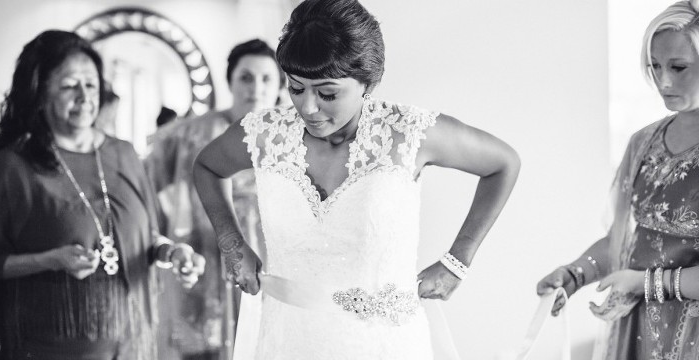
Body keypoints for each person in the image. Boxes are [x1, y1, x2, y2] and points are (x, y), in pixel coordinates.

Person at [193, 0, 521, 358]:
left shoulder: (408, 132)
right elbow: (206, 167)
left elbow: (503, 164)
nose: (308, 108)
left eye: (327, 93)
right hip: (288, 338)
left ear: (367, 82)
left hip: (383, 345)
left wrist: (458, 261)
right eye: (296, 87)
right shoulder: (265, 133)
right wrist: (232, 243)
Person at [0, 30, 205, 360]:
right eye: (70, 85)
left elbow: (144, 238)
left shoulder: (124, 154)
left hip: (132, 343)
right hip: (48, 346)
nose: (85, 97)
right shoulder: (15, 165)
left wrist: (172, 253)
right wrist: (50, 260)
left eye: (91, 84)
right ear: (40, 94)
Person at [537, 1, 699, 358]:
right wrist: (575, 274)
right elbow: (623, 240)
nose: (663, 80)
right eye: (654, 66)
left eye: (678, 67)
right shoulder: (642, 143)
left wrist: (644, 284)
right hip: (637, 328)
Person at [144, 39, 284, 360]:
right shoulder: (189, 136)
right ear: (230, 81)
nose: (256, 88)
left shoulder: (290, 140)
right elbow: (145, 188)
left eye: (266, 79)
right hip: (203, 265)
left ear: (279, 85)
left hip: (269, 267)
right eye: (246, 77)